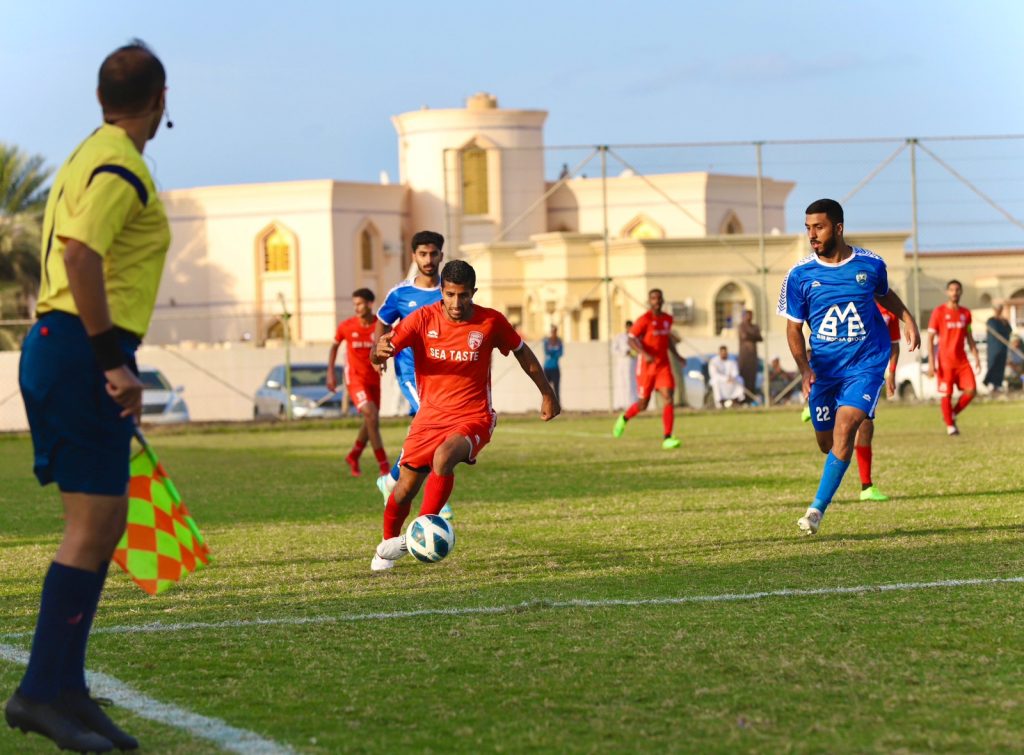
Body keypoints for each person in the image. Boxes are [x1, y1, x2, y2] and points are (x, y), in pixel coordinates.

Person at [4, 41, 172, 753]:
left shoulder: (87, 153)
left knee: (105, 522)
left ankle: (65, 688)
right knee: (91, 524)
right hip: (80, 348)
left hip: (70, 347)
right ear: (160, 101)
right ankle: (40, 692)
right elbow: (80, 252)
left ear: (102, 98)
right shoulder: (121, 164)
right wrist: (111, 362)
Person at [369, 260, 559, 570]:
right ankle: (385, 549)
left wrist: (547, 393)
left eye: (464, 295)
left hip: (474, 416)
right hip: (429, 418)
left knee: (444, 457)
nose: (457, 303)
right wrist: (378, 353)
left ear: (474, 292)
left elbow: (522, 352)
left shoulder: (490, 321)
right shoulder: (421, 320)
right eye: (450, 295)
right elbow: (380, 351)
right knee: (403, 490)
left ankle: (414, 537)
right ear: (441, 292)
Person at [778, 198, 919, 536]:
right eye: (808, 228)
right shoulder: (799, 275)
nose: (812, 235)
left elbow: (884, 294)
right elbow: (793, 328)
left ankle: (816, 510)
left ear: (838, 228)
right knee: (826, 443)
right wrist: (804, 369)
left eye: (819, 227)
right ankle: (836, 468)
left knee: (847, 426)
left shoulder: (871, 264)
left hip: (866, 364)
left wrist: (907, 318)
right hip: (825, 370)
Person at [373, 231, 450, 517]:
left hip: (442, 374)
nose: (428, 260)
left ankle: (391, 479)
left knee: (428, 430)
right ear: (414, 256)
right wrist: (378, 352)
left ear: (441, 255)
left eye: (433, 254)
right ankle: (437, 499)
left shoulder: (450, 292)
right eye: (423, 254)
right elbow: (382, 322)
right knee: (435, 424)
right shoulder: (400, 294)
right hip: (410, 372)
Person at [612, 289, 685, 449]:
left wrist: (678, 356)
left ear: (662, 300)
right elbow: (631, 340)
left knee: (668, 397)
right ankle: (624, 418)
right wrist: (644, 354)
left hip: (663, 365)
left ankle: (667, 437)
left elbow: (667, 340)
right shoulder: (644, 320)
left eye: (659, 298)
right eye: (653, 298)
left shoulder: (667, 319)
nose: (656, 301)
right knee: (643, 404)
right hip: (647, 367)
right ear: (649, 301)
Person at [327, 289, 389, 477]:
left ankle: (353, 455)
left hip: (374, 379)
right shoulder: (347, 326)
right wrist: (330, 372)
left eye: (360, 304)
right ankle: (384, 466)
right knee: (371, 415)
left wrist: (383, 359)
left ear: (370, 304)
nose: (357, 308)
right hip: (354, 379)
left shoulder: (379, 326)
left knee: (371, 419)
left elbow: (389, 344)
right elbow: (334, 346)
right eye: (355, 304)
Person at [853, 302, 902, 502]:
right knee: (829, 439)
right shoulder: (853, 298)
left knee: (865, 425)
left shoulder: (890, 309)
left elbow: (894, 343)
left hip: (869, 373)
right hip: (843, 366)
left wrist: (891, 373)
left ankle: (866, 486)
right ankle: (814, 406)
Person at [926, 280, 981, 435]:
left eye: (957, 289)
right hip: (945, 361)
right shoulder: (938, 312)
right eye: (951, 289)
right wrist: (931, 362)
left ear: (961, 292)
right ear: (947, 292)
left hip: (962, 361)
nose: (954, 292)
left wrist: (976, 356)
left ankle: (952, 414)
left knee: (971, 391)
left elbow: (969, 336)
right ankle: (951, 427)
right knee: (946, 394)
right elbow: (930, 338)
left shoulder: (966, 313)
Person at [983, 303, 1012, 393]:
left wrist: (1004, 323)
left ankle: (997, 385)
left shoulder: (1004, 321)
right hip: (994, 347)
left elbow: (1009, 330)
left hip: (1003, 347)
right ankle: (990, 383)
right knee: (993, 364)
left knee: (1000, 365)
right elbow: (995, 331)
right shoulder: (991, 321)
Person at [737, 309, 763, 401]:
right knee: (744, 377)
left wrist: (750, 335)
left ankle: (751, 397)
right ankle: (744, 397)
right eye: (747, 315)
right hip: (744, 357)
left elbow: (760, 338)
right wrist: (754, 336)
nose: (749, 317)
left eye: (750, 315)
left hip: (753, 357)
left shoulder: (755, 326)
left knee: (752, 377)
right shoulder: (741, 326)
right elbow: (744, 336)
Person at [611, 320, 638, 409]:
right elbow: (614, 349)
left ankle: (632, 402)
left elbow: (639, 349)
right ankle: (621, 403)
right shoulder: (620, 337)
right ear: (626, 327)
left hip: (633, 363)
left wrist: (634, 353)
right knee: (622, 383)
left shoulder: (635, 337)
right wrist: (624, 352)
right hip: (622, 363)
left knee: (633, 382)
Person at [543, 325, 564, 404]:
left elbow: (560, 353)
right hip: (547, 368)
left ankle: (557, 406)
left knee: (556, 389)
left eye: (554, 331)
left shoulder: (559, 341)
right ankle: (546, 406)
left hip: (555, 368)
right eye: (552, 331)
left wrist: (552, 351)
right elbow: (547, 352)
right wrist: (554, 351)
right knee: (545, 390)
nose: (553, 333)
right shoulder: (547, 341)